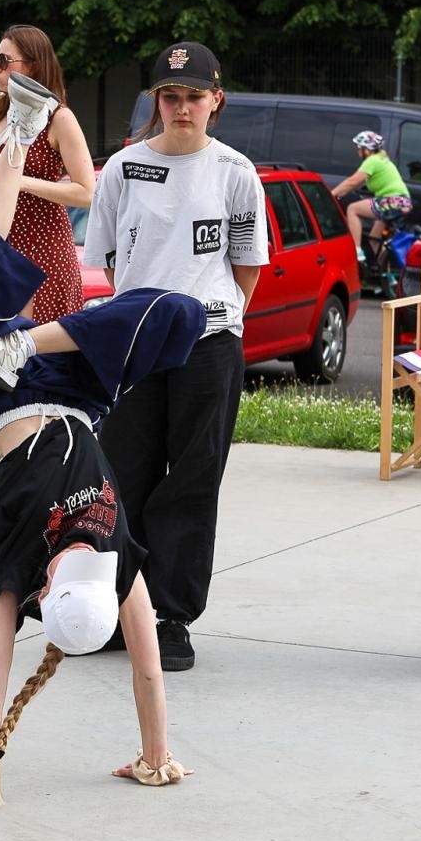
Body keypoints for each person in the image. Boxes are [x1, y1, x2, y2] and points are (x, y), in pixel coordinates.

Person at [0, 72, 203, 803]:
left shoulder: (105, 560)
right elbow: (1, 676)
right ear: (54, 594)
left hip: (11, 392)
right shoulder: (89, 561)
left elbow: (139, 665)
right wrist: (154, 759)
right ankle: (26, 335)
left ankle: (20, 132)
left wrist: (157, 756)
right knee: (178, 312)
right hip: (58, 381)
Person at [83, 41, 268, 672]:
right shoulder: (123, 169)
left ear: (216, 101)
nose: (181, 108)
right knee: (122, 474)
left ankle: (170, 615)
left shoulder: (235, 172)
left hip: (207, 344)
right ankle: (119, 604)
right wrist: (141, 317)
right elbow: (107, 262)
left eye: (194, 96)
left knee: (191, 480)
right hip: (135, 343)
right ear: (155, 101)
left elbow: (244, 269)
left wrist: (205, 317)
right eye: (170, 96)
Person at [0, 24, 94, 502]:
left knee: (32, 354)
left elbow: (85, 191)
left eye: (5, 61)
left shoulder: (59, 119)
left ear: (32, 67)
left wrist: (20, 182)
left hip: (42, 247)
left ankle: (51, 456)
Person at [329, 130, 413, 260]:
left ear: (366, 150)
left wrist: (331, 194)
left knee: (352, 209)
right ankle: (385, 274)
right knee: (374, 239)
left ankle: (356, 250)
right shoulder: (383, 159)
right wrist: (341, 193)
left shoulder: (372, 161)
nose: (358, 152)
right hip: (402, 202)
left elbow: (352, 182)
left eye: (359, 148)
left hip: (391, 201)